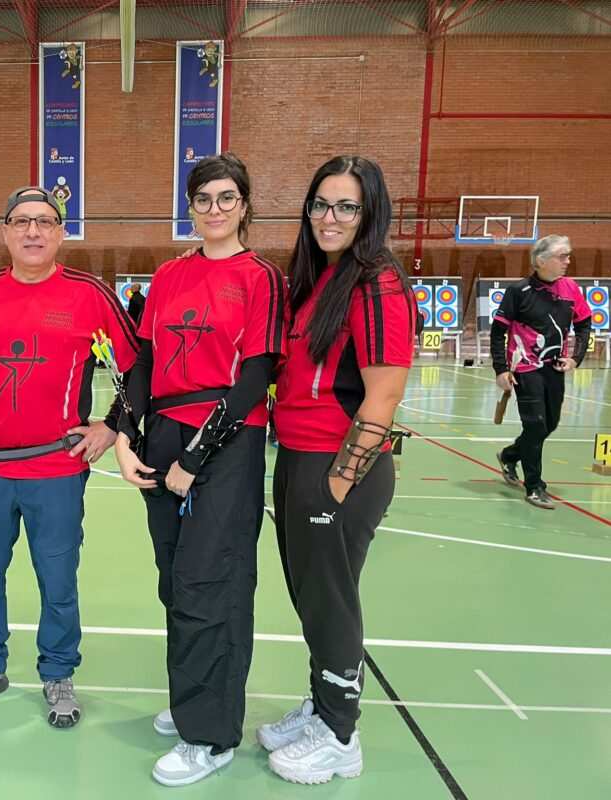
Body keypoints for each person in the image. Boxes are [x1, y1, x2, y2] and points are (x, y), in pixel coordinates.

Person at [0, 186, 138, 728]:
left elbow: (140, 367)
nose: (33, 232)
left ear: (61, 232)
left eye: (45, 222)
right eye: (21, 221)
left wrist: (109, 427)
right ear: (5, 231)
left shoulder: (90, 294)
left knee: (58, 579)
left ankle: (59, 670)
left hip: (56, 468)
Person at [114, 153, 285, 787]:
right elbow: (145, 359)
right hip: (162, 436)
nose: (213, 209)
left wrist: (194, 456)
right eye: (202, 199)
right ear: (190, 207)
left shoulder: (261, 277)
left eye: (225, 198)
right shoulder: (167, 277)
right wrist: (129, 437)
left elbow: (256, 377)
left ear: (244, 204)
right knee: (176, 579)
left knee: (212, 582)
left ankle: (209, 736)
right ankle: (194, 698)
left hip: (227, 442)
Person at [261, 155, 417, 784]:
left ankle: (339, 733)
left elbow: (382, 397)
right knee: (311, 595)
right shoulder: (318, 279)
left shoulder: (376, 283)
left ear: (369, 213)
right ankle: (323, 705)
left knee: (330, 600)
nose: (331, 218)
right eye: (322, 204)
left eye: (347, 206)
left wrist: (339, 481)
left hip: (336, 467)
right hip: (298, 459)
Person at [491, 234, 590, 509]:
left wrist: (575, 358)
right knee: (535, 425)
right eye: (562, 256)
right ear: (541, 261)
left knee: (550, 424)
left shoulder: (571, 288)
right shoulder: (518, 292)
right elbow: (498, 332)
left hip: (554, 368)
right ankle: (534, 486)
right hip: (525, 369)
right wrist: (501, 370)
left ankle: (510, 455)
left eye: (568, 255)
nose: (567, 261)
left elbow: (584, 324)